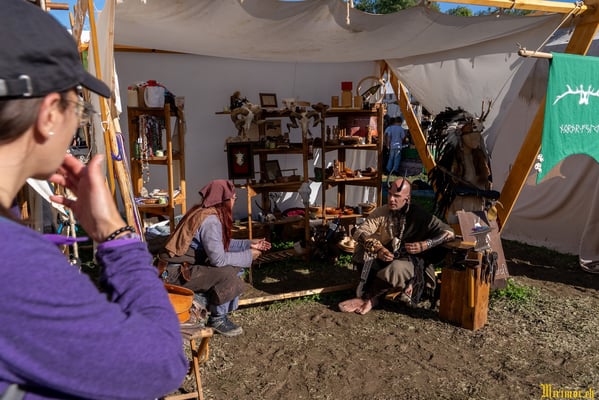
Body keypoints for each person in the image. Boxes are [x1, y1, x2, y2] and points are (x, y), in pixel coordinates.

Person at [0, 1, 188, 399]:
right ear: (49, 114)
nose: (79, 121)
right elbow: (160, 363)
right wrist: (115, 235)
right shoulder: (12, 260)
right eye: (78, 106)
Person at [160, 180, 271, 337]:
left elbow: (218, 244)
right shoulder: (210, 221)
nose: (234, 201)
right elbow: (218, 260)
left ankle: (205, 301)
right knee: (227, 273)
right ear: (224, 200)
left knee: (235, 266)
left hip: (178, 269)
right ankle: (217, 318)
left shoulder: (203, 212)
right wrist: (248, 255)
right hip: (173, 274)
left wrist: (248, 243)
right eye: (233, 198)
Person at [338, 178, 455, 315]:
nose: (391, 199)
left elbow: (449, 233)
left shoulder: (420, 215)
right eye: (390, 194)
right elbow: (360, 232)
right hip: (387, 257)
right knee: (361, 249)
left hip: (411, 263)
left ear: (407, 198)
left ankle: (369, 298)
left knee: (396, 268)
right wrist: (378, 249)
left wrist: (425, 244)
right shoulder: (382, 212)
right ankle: (372, 287)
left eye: (397, 196)